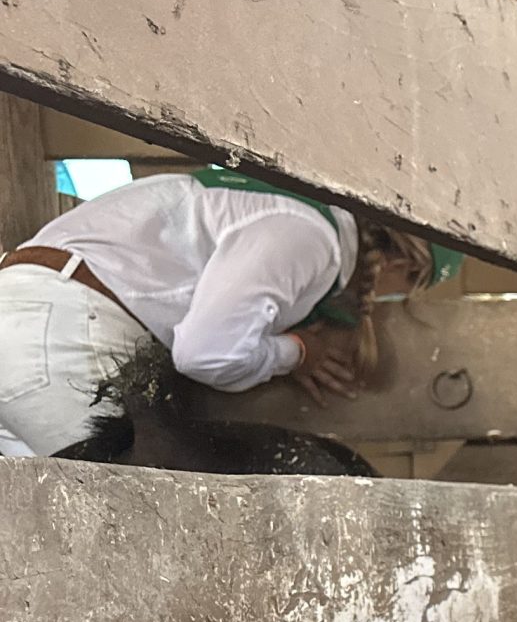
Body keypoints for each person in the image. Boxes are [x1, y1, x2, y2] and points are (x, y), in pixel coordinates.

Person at [0, 165, 457, 458]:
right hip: (60, 338)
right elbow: (206, 353)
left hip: (34, 324)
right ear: (404, 267)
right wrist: (296, 352)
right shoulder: (311, 236)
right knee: (117, 530)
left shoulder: (288, 212)